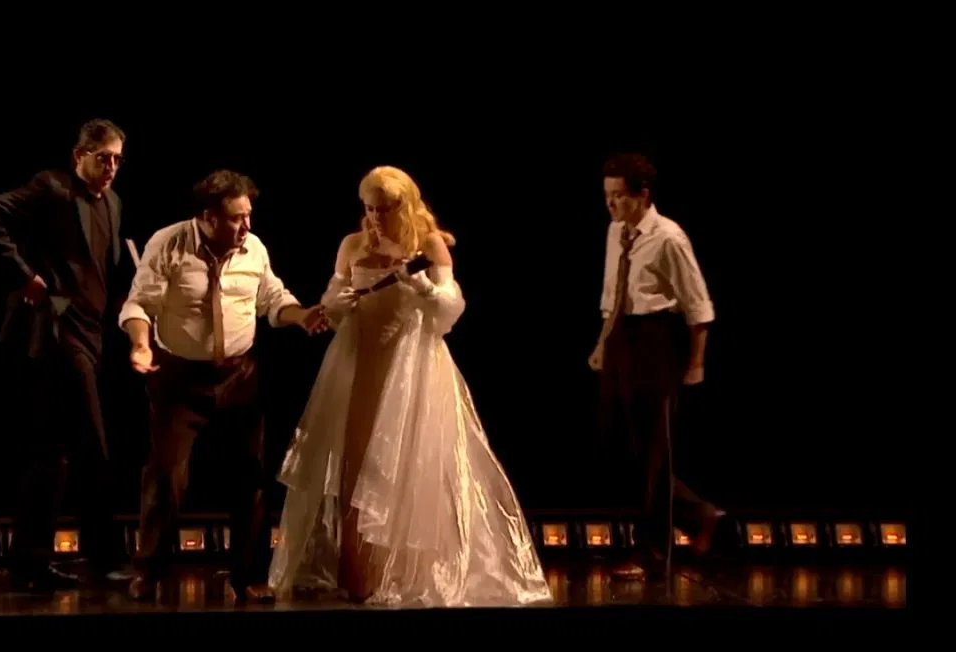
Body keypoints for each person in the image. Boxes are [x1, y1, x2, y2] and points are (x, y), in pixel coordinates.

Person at [267, 166, 552, 608]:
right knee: (353, 460)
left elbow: (448, 313)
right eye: (369, 209)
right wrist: (336, 302)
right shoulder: (352, 245)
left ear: (404, 205)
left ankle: (403, 571)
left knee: (407, 459)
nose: (376, 218)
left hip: (411, 362)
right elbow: (334, 306)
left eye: (384, 209)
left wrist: (420, 285)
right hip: (358, 361)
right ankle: (358, 572)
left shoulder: (429, 244)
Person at [119, 169, 327, 603]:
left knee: (251, 474)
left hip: (239, 374)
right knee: (165, 475)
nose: (246, 226)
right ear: (207, 217)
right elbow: (140, 302)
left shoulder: (254, 248)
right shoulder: (169, 243)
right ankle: (150, 571)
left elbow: (273, 298)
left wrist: (301, 316)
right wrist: (140, 344)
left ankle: (247, 575)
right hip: (179, 379)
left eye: (248, 215)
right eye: (236, 218)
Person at [0, 118, 131, 591]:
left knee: (51, 451)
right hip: (57, 329)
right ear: (79, 155)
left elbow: (101, 267)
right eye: (103, 158)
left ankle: (29, 563)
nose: (111, 167)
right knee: (92, 445)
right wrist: (25, 277)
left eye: (118, 159)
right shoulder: (52, 189)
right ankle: (104, 558)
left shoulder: (113, 203)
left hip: (92, 333)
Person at [587, 152, 724, 580]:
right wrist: (603, 343)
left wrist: (696, 362)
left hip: (655, 340)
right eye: (607, 195)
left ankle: (652, 552)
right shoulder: (616, 231)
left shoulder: (669, 238)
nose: (611, 204)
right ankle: (699, 514)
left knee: (652, 453)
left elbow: (698, 306)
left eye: (619, 196)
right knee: (621, 447)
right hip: (621, 339)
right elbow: (613, 294)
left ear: (642, 194)